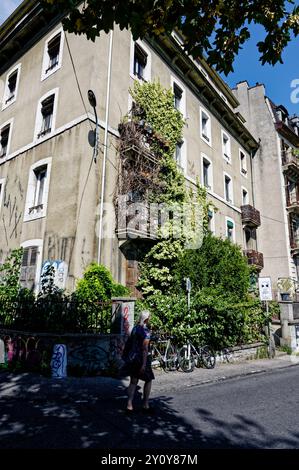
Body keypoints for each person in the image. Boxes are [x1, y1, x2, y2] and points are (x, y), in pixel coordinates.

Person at [125, 310, 155, 413]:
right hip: (141, 359)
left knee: (133, 381)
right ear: (146, 319)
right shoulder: (146, 331)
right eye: (149, 317)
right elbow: (145, 349)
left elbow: (130, 343)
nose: (150, 319)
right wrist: (143, 364)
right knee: (149, 379)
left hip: (132, 358)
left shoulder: (135, 328)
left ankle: (129, 404)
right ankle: (145, 404)